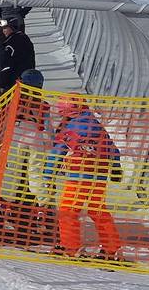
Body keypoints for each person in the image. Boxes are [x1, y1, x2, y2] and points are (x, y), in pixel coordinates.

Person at [45, 94, 125, 261]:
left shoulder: (73, 127)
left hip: (79, 175)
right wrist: (116, 168)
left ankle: (71, 248)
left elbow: (58, 151)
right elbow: (112, 148)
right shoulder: (96, 125)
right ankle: (112, 249)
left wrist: (48, 173)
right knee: (97, 210)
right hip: (99, 176)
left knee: (68, 211)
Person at [0, 16, 36, 93]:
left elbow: (7, 65)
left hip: (14, 82)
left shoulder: (11, 44)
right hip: (27, 79)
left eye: (5, 28)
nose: (3, 31)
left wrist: (2, 84)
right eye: (2, 29)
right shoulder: (25, 38)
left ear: (12, 27)